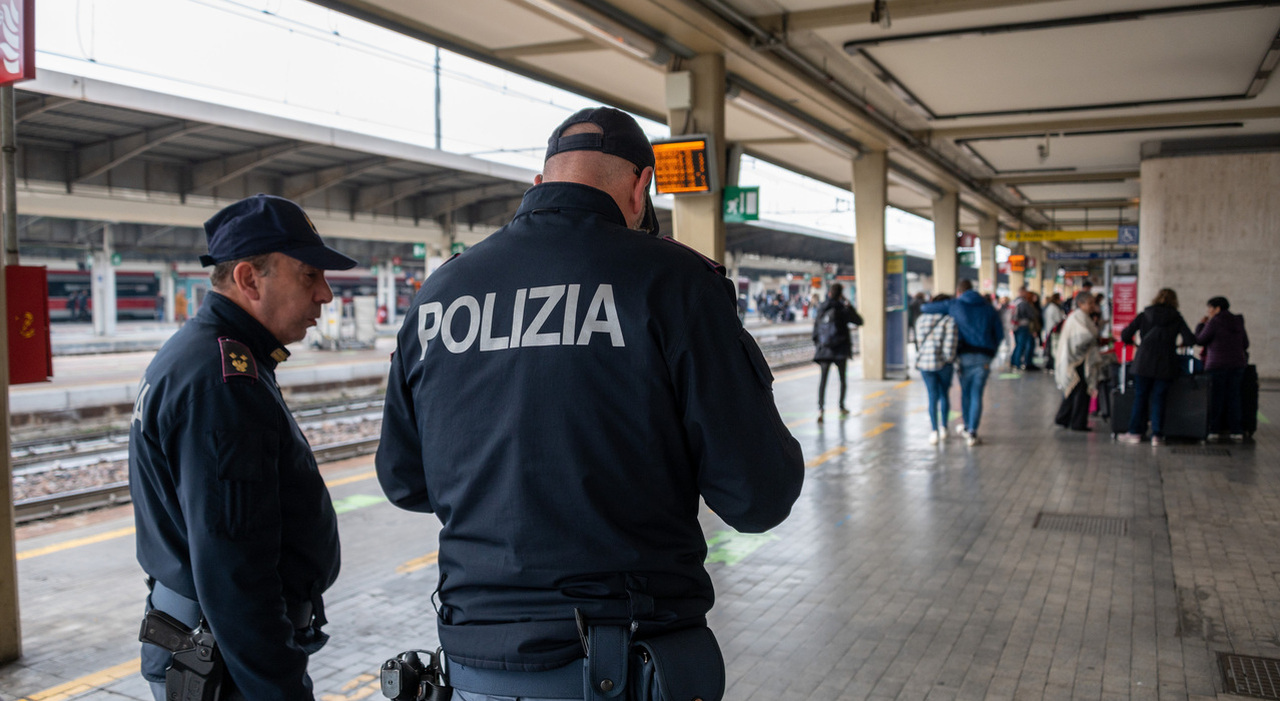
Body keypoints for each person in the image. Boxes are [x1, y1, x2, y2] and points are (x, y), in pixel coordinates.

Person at [375, 107, 805, 701]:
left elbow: (404, 481)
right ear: (641, 188)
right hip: (620, 662)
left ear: (540, 184)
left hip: (474, 663)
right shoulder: (673, 281)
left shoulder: (444, 290)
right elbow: (758, 496)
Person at [128, 194, 353, 700]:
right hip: (226, 663)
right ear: (250, 279)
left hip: (204, 646)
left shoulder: (200, 354)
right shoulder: (223, 383)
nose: (327, 295)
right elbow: (234, 572)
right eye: (309, 276)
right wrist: (281, 691)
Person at [920, 279, 1003, 446]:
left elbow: (925, 308)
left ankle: (964, 426)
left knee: (965, 392)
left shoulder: (955, 305)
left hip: (964, 357)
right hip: (984, 357)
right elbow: (999, 334)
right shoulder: (989, 308)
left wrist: (946, 303)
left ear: (959, 292)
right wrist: (991, 353)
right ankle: (972, 431)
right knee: (977, 394)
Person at [1117, 288, 1196, 446]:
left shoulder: (1145, 314)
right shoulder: (1176, 317)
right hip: (1166, 362)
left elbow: (1125, 335)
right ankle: (1156, 435)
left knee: (1141, 397)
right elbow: (1190, 339)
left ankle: (1135, 433)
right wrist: (1177, 344)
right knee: (1159, 399)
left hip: (1144, 362)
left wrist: (1136, 344)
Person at [1195, 296, 1250, 441]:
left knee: (1216, 398)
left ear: (1217, 308)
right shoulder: (1238, 321)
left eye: (1210, 308)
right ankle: (1236, 431)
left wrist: (1200, 325)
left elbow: (1200, 340)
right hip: (1237, 365)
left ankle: (1214, 430)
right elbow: (1245, 343)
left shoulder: (1214, 322)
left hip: (1217, 365)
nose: (1209, 311)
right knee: (1234, 398)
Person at [1054, 292, 1110, 431]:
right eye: (1089, 303)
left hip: (1078, 360)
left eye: (1093, 303)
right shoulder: (1077, 317)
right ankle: (1077, 422)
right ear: (1080, 304)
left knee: (1073, 390)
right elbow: (1083, 337)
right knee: (1080, 393)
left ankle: (1063, 417)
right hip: (1077, 361)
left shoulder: (1082, 317)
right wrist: (1096, 338)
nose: (1092, 306)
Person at [812, 282, 864, 422]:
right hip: (840, 350)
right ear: (840, 295)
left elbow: (816, 329)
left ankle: (820, 409)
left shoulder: (822, 307)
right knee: (842, 380)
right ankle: (841, 406)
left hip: (825, 350)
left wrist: (819, 345)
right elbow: (859, 321)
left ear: (829, 293)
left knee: (823, 380)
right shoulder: (842, 308)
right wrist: (849, 304)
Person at [914, 293, 958, 444]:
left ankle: (934, 431)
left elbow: (919, 342)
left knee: (932, 397)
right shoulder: (949, 320)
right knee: (944, 394)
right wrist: (948, 360)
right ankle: (944, 427)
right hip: (943, 364)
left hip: (925, 364)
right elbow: (950, 345)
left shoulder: (920, 319)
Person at [1011, 287, 1037, 371]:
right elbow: (1031, 315)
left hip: (1015, 326)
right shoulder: (1023, 303)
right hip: (1023, 326)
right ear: (1022, 292)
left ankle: (1013, 362)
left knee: (1017, 344)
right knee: (1021, 345)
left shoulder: (1014, 301)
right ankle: (1017, 363)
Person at [1041, 293, 1066, 371]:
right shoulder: (1054, 308)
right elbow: (1058, 319)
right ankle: (1050, 365)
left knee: (1051, 347)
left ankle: (1050, 364)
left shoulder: (1050, 307)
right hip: (1053, 330)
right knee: (1053, 348)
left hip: (1050, 329)